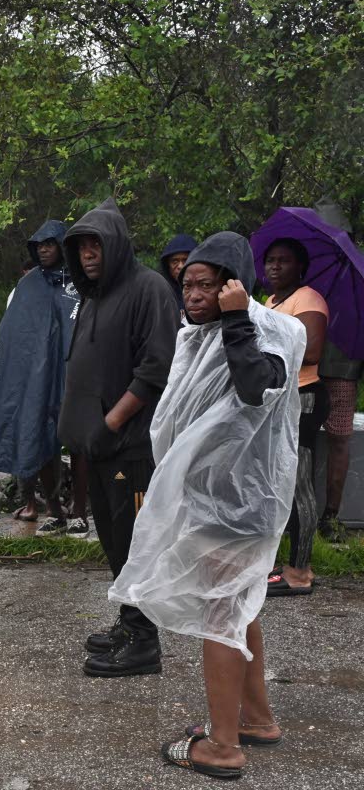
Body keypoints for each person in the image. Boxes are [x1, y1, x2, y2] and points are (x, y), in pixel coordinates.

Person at [110, 232, 303, 780]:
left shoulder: (270, 330)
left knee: (221, 615)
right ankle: (256, 720)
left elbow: (255, 389)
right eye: (186, 284)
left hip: (238, 504)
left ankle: (222, 745)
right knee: (241, 608)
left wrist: (239, 317)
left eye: (204, 284)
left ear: (233, 284)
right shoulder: (200, 336)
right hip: (216, 497)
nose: (191, 294)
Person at [57, 198, 179, 678]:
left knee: (135, 542)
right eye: (81, 246)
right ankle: (129, 622)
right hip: (97, 447)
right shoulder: (92, 297)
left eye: (96, 245)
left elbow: (156, 369)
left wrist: (109, 423)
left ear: (117, 246)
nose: (88, 253)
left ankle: (144, 643)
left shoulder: (148, 288)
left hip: (131, 444)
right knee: (113, 540)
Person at [0, 219, 88, 537]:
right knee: (40, 438)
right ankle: (54, 510)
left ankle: (79, 511)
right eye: (38, 244)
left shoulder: (81, 283)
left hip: (75, 374)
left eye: (49, 243)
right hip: (38, 377)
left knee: (78, 442)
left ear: (62, 245)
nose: (43, 249)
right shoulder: (29, 285)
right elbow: (16, 334)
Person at [261, 237, 329, 597]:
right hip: (278, 399)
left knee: (299, 483)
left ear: (299, 266)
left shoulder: (308, 299)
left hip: (304, 397)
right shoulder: (269, 301)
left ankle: (300, 570)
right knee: (277, 485)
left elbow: (313, 350)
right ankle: (279, 562)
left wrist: (268, 351)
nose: (274, 266)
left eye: (283, 261)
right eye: (270, 260)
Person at [318, 341, 361, 541]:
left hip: (340, 367)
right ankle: (328, 517)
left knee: (339, 441)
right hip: (304, 366)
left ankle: (330, 516)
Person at [159, 233, 198, 312]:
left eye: (185, 260)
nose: (180, 266)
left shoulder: (209, 291)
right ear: (168, 265)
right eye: (175, 261)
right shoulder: (159, 293)